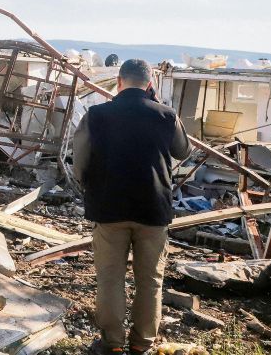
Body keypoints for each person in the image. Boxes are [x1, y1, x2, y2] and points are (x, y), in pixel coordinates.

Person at [73, 58, 190, 355]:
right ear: (149, 83)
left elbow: (80, 162)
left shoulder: (96, 115)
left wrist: (90, 186)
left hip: (109, 207)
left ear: (119, 82)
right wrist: (160, 108)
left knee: (110, 278)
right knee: (150, 281)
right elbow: (183, 150)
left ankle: (112, 344)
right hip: (153, 210)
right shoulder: (166, 115)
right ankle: (141, 345)